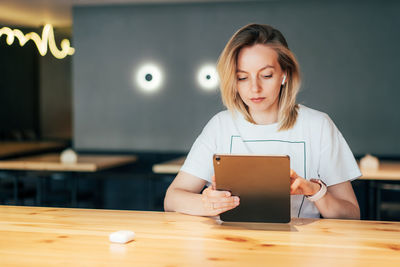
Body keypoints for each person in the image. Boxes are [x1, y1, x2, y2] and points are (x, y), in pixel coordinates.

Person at [164, 24, 361, 219]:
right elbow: (172, 199)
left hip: (300, 248)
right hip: (229, 246)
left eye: (266, 75)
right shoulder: (220, 126)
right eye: (242, 78)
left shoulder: (318, 126)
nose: (254, 88)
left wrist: (315, 191)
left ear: (285, 74)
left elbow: (351, 214)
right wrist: (206, 204)